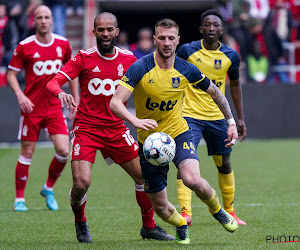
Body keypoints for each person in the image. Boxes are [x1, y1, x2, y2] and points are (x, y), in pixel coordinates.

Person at [46, 12, 175, 243]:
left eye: (109, 30)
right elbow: (52, 81)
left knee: (143, 178)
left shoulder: (129, 59)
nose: (105, 34)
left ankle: (149, 227)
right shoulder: (83, 58)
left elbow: (150, 87)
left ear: (116, 32)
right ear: (93, 32)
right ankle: (80, 220)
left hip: (116, 129)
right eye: (100, 30)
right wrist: (60, 92)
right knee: (80, 184)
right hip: (87, 129)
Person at [110, 18, 239, 245]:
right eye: (162, 38)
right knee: (160, 207)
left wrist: (231, 121)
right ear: (154, 40)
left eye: (171, 38)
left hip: (179, 134)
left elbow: (216, 93)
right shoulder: (140, 67)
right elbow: (115, 102)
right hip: (149, 144)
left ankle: (218, 210)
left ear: (178, 40)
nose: (167, 43)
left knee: (191, 179)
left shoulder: (186, 68)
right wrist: (135, 120)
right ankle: (180, 224)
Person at [176, 9, 247, 226]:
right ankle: (185, 212)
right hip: (189, 116)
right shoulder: (187, 50)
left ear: (222, 30)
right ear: (200, 29)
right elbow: (173, 75)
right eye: (207, 24)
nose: (211, 28)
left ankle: (230, 210)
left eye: (216, 25)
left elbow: (234, 86)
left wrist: (239, 118)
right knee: (185, 163)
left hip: (217, 117)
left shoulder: (230, 56)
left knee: (224, 163)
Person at [7, 5, 79, 212]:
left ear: (52, 20)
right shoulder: (24, 46)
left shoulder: (63, 44)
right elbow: (11, 75)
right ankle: (19, 199)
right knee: (27, 151)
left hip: (55, 107)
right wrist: (20, 96)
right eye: (39, 17)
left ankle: (48, 188)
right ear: (34, 21)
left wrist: (75, 98)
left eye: (47, 17)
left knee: (64, 151)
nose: (44, 21)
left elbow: (71, 72)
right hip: (31, 108)